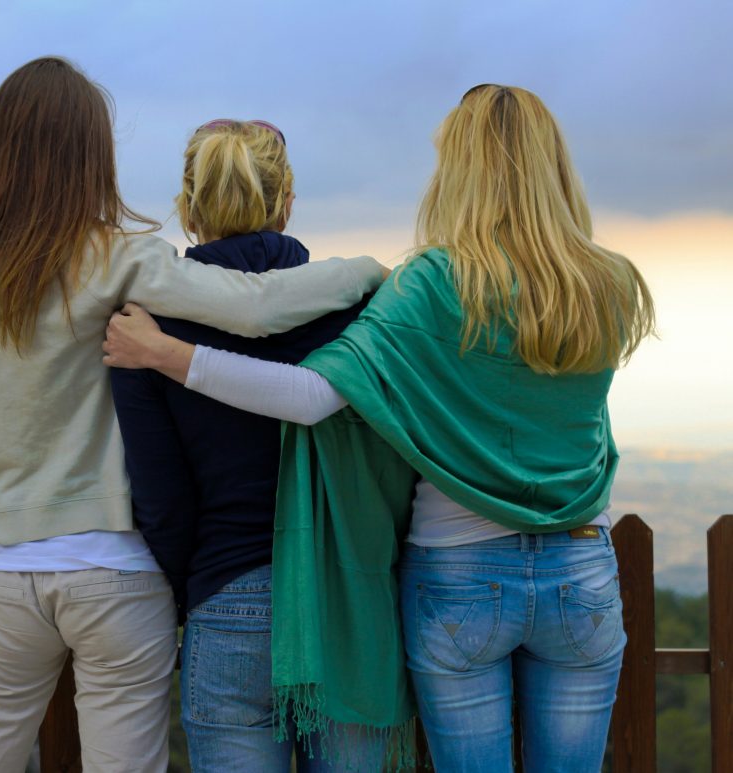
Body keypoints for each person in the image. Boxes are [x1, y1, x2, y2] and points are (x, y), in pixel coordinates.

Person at [102, 85, 656, 773]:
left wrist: (165, 353)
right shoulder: (610, 281)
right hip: (570, 565)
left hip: (442, 568)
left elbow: (305, 399)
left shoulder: (431, 282)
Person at [0, 57, 386, 773]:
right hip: (113, 567)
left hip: (1, 569)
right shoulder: (114, 258)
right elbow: (256, 305)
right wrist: (368, 271)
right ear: (91, 157)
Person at [110, 118, 382, 772]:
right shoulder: (355, 308)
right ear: (287, 200)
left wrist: (193, 589)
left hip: (227, 593)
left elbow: (161, 497)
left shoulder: (147, 327)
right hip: (343, 602)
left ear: (189, 208)